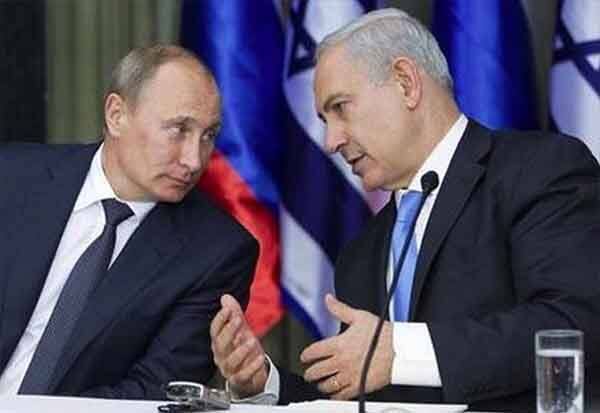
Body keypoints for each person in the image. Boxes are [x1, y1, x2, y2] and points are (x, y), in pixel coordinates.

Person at [210, 8, 600, 412]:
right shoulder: (361, 252)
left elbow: (572, 323)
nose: (330, 140)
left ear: (406, 82)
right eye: (324, 119)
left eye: (340, 108)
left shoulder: (538, 170)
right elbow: (358, 399)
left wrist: (400, 351)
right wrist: (263, 383)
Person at [0, 45, 258, 399]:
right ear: (116, 115)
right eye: (178, 129)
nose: (194, 160)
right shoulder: (13, 177)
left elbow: (154, 392)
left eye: (208, 135)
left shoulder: (217, 253)